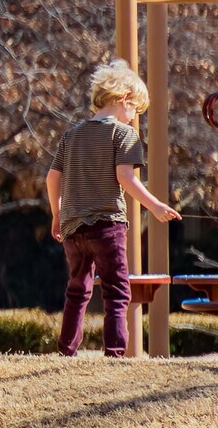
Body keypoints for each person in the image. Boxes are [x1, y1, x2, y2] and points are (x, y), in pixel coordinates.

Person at [45, 59, 181, 357]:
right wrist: (156, 206)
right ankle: (116, 353)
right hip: (107, 225)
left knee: (77, 289)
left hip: (72, 226)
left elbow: (52, 178)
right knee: (117, 291)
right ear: (123, 100)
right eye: (135, 109)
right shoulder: (124, 134)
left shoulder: (71, 135)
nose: (134, 117)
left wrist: (58, 214)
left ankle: (66, 349)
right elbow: (125, 178)